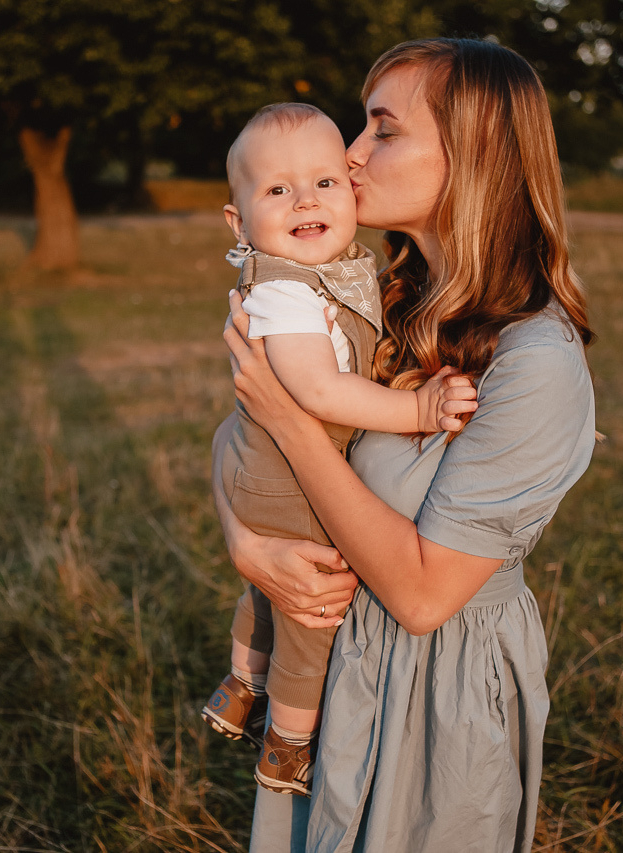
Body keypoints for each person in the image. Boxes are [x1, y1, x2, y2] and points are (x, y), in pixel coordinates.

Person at [213, 38, 596, 852]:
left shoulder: (537, 365)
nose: (348, 155)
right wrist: (246, 540)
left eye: (382, 131)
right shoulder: (382, 300)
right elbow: (238, 430)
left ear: (475, 156)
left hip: (436, 704)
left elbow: (423, 598)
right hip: (344, 667)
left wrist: (290, 417)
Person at [202, 101, 476, 797]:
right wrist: (416, 406)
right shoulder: (286, 292)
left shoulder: (334, 273)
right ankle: (289, 744)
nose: (305, 200)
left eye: (324, 182)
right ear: (238, 223)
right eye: (277, 190)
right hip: (289, 479)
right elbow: (319, 391)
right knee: (311, 615)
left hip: (268, 469)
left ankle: (241, 684)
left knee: (268, 589)